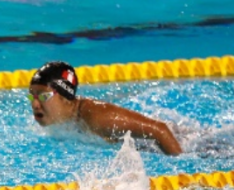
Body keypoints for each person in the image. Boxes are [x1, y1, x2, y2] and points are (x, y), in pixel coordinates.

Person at [28, 61, 183, 155]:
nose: (35, 104)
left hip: (184, 142)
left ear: (65, 97)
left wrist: (181, 169)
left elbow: (160, 130)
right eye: (32, 96)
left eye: (43, 96)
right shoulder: (60, 122)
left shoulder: (97, 117)